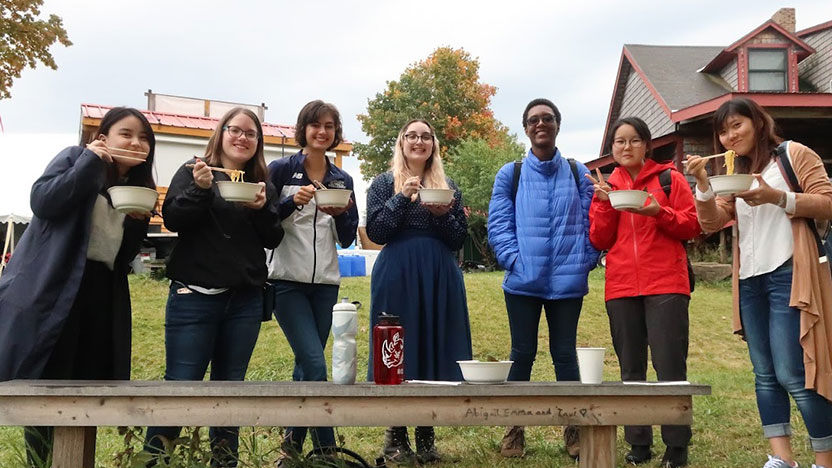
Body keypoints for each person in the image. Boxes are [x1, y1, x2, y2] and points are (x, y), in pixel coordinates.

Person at [0, 107, 156, 467]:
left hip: (102, 290)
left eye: (144, 137)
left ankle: (76, 459)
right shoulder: (75, 158)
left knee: (90, 378)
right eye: (126, 133)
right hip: (56, 284)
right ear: (102, 137)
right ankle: (40, 461)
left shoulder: (136, 188)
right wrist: (90, 160)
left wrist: (136, 223)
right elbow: (44, 202)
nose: (136, 142)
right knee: (49, 379)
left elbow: (124, 256)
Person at [687, 97, 832, 468]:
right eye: (723, 131)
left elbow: (827, 202)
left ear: (757, 122)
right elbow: (711, 223)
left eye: (737, 125)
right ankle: (782, 459)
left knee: (794, 373)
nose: (730, 136)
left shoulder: (792, 155)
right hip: (750, 280)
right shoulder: (735, 173)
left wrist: (776, 197)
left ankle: (823, 460)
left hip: (789, 273)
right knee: (764, 375)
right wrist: (704, 185)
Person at [144, 107, 283, 467]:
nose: (242, 138)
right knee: (180, 385)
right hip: (194, 296)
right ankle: (154, 461)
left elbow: (273, 238)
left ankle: (224, 462)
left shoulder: (259, 183)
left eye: (250, 134)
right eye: (235, 130)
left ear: (257, 142)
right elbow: (173, 219)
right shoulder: (194, 170)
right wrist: (201, 190)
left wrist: (263, 208)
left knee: (230, 389)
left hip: (245, 301)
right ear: (220, 134)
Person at [487, 98, 598, 460]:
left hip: (567, 280)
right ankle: (514, 433)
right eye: (533, 119)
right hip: (523, 281)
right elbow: (499, 224)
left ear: (557, 125)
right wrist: (513, 260)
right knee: (522, 354)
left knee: (565, 355)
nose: (540, 124)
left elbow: (593, 222)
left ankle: (573, 431)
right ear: (526, 128)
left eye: (547, 118)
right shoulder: (511, 173)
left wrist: (586, 261)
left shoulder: (578, 172)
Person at [587, 117, 699, 467]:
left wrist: (657, 211)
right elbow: (599, 239)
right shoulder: (609, 185)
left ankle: (676, 447)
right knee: (630, 368)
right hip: (621, 286)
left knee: (669, 366)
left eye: (634, 140)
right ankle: (638, 444)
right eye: (619, 142)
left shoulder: (669, 179)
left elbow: (692, 225)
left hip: (666, 282)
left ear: (646, 144)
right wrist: (604, 203)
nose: (626, 147)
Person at [366, 119, 471, 464]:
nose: (419, 141)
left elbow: (458, 238)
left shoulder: (448, 185)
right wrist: (402, 198)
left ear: (433, 145)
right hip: (397, 272)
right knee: (396, 349)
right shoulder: (383, 184)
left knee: (432, 345)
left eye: (426, 136)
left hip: (439, 272)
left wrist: (442, 215)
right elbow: (378, 232)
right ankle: (394, 435)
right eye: (412, 136)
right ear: (401, 142)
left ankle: (426, 434)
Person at [265, 100, 358, 462]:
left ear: (336, 133)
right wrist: (291, 204)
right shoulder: (281, 171)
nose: (323, 132)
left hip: (326, 285)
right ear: (303, 129)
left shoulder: (342, 180)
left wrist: (342, 212)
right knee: (317, 365)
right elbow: (265, 223)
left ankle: (291, 448)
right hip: (286, 280)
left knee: (307, 366)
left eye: (330, 126)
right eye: (316, 125)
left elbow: (348, 237)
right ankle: (327, 450)